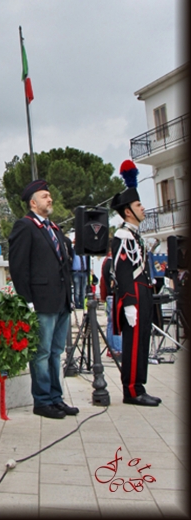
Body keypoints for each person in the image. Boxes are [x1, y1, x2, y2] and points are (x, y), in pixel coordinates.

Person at [8, 179, 78, 419]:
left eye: (50, 196)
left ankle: (56, 398)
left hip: (60, 301)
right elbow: (18, 267)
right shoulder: (24, 226)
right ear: (33, 202)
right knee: (42, 353)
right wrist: (26, 300)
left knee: (56, 351)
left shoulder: (54, 228)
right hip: (40, 301)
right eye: (45, 196)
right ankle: (42, 400)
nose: (50, 199)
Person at [110, 160, 161, 406]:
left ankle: (139, 386)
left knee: (143, 342)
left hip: (144, 292)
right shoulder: (122, 235)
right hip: (134, 295)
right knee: (133, 343)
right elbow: (122, 270)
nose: (143, 208)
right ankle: (131, 389)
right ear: (128, 210)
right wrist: (129, 302)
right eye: (139, 205)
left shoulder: (134, 235)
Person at [99, 242, 122, 359]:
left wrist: (103, 296)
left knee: (110, 324)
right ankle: (118, 349)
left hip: (109, 295)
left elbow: (103, 281)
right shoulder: (114, 262)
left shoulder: (105, 262)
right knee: (116, 323)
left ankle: (111, 348)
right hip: (114, 295)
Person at [71, 243, 88, 308]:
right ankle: (77, 305)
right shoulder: (73, 252)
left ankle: (82, 305)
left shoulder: (85, 253)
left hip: (84, 272)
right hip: (76, 272)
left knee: (83, 290)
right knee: (77, 290)